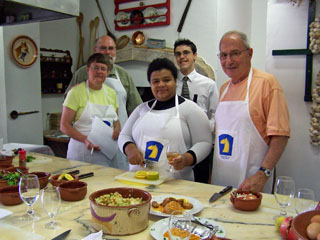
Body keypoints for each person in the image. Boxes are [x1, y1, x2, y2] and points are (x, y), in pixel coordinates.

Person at [212, 30, 290, 193]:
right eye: (223, 55)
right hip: (221, 178)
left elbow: (280, 135)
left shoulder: (267, 83)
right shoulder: (224, 88)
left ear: (250, 53)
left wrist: (263, 173)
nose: (228, 61)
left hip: (253, 180)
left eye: (235, 53)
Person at [118, 58, 212, 181]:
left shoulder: (190, 109)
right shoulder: (141, 109)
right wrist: (130, 149)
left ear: (176, 81)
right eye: (155, 81)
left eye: (166, 80)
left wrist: (186, 159)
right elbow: (124, 135)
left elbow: (204, 142)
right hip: (139, 180)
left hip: (176, 183)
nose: (161, 85)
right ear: (150, 84)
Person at [65, 35, 142, 170]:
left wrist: (130, 136)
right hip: (85, 147)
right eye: (103, 48)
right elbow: (67, 113)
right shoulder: (81, 74)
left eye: (111, 49)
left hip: (115, 143)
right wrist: (83, 136)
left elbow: (135, 110)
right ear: (95, 50)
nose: (107, 52)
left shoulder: (123, 75)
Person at [61, 53, 120, 167]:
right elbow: (64, 125)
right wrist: (85, 140)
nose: (99, 71)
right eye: (95, 68)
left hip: (107, 155)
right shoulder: (76, 92)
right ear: (88, 70)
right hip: (82, 154)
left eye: (103, 69)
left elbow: (116, 121)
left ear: (107, 73)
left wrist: (117, 129)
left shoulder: (111, 93)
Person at [174, 39, 219, 183]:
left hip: (200, 144)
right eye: (178, 54)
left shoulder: (209, 85)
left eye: (186, 52)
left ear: (195, 56)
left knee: (200, 183)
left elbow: (216, 115)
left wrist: (203, 130)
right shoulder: (170, 83)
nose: (182, 57)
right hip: (176, 142)